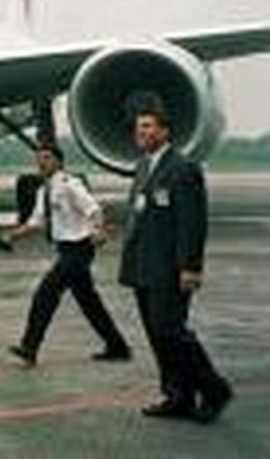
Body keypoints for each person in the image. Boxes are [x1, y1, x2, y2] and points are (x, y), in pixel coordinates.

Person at [120, 104, 233, 422]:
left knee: (170, 331)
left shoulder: (182, 169)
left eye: (148, 127)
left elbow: (192, 223)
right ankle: (178, 395)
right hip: (142, 265)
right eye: (139, 127)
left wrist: (191, 266)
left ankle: (214, 389)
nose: (141, 133)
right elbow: (141, 214)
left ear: (165, 132)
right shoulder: (143, 166)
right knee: (157, 335)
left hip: (169, 268)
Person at [0, 144, 130, 366]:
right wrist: (11, 236)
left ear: (59, 162)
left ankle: (30, 347)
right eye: (39, 159)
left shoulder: (70, 185)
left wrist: (98, 230)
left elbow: (94, 210)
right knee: (89, 302)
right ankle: (117, 346)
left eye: (47, 158)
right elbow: (35, 223)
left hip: (79, 249)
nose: (41, 162)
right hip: (65, 249)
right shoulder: (44, 190)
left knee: (45, 294)